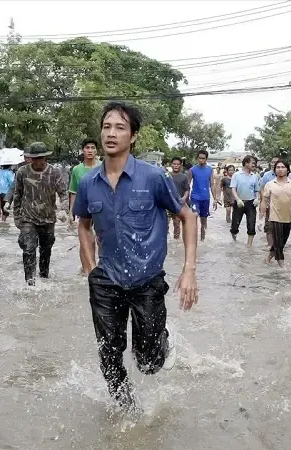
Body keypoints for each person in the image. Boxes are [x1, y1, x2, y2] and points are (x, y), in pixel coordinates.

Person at [73, 101, 198, 410]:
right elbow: (84, 225)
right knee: (109, 353)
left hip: (147, 280)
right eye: (106, 127)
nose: (111, 133)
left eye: (120, 127)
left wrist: (189, 270)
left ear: (133, 136)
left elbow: (188, 217)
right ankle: (127, 413)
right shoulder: (88, 182)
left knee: (148, 362)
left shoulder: (153, 177)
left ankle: (161, 340)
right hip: (106, 280)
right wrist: (90, 268)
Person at [11, 142, 69, 286]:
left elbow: (63, 193)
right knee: (28, 249)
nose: (37, 161)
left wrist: (64, 209)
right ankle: (30, 283)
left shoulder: (54, 172)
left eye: (40, 158)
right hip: (28, 218)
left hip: (48, 219)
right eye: (34, 158)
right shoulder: (22, 172)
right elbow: (17, 194)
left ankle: (44, 277)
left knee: (46, 250)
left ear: (45, 158)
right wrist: (16, 216)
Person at [261, 161, 291, 266]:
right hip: (274, 218)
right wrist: (260, 219)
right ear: (274, 170)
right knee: (279, 245)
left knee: (281, 243)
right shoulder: (270, 184)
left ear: (287, 169)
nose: (280, 169)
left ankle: (268, 258)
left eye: (283, 167)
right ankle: (282, 269)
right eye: (278, 167)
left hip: (288, 219)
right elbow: (264, 201)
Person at [230, 155, 260, 247]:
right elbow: (233, 189)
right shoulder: (236, 175)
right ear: (246, 163)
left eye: (255, 163)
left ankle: (249, 246)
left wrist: (257, 198)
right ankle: (234, 242)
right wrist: (238, 199)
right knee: (235, 226)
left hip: (251, 203)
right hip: (239, 202)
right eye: (253, 163)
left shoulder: (255, 176)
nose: (254, 165)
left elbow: (257, 190)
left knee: (251, 224)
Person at [189, 149, 218, 241]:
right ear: (197, 158)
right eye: (200, 158)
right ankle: (193, 240)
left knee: (204, 220)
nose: (201, 160)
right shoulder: (192, 170)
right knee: (194, 217)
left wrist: (215, 199)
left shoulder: (210, 170)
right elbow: (187, 184)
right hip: (194, 198)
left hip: (205, 198)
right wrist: (185, 198)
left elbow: (212, 184)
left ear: (206, 159)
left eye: (203, 158)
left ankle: (203, 240)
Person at [260, 157, 280, 249]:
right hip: (269, 205)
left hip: (282, 206)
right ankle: (270, 246)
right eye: (272, 162)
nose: (273, 164)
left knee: (282, 227)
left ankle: (278, 245)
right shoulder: (266, 175)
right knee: (269, 227)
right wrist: (262, 201)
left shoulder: (285, 175)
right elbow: (262, 189)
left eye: (275, 162)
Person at [168, 157, 191, 239]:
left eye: (178, 164)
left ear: (180, 165)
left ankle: (176, 240)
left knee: (176, 223)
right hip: (167, 204)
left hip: (178, 204)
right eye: (174, 164)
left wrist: (184, 198)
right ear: (171, 165)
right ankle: (166, 241)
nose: (176, 166)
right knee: (164, 224)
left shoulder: (183, 177)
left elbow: (187, 190)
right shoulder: (167, 176)